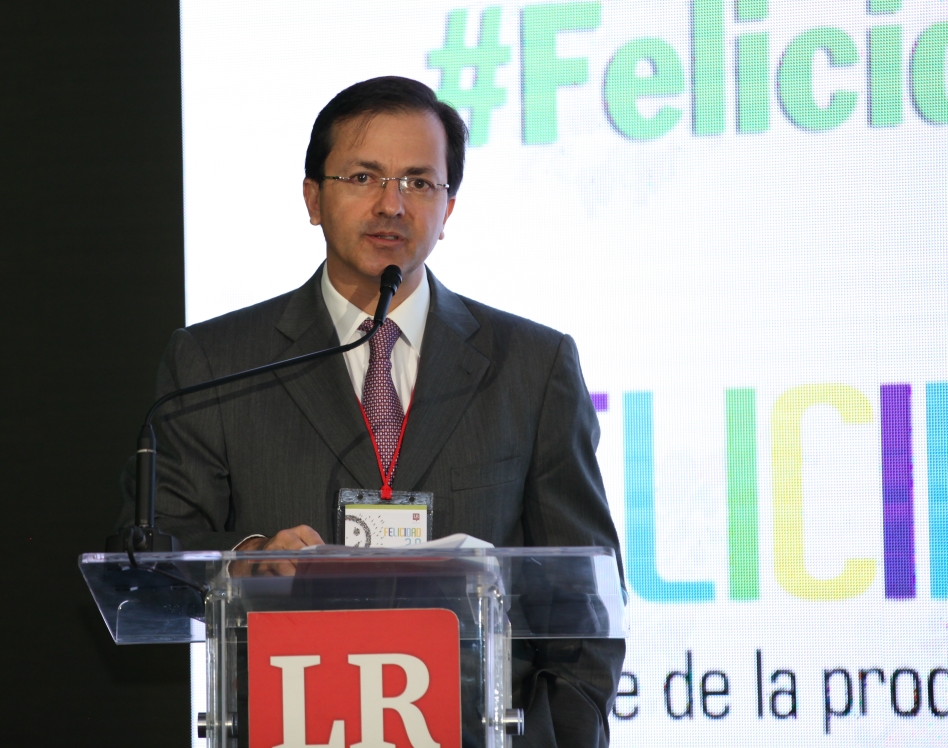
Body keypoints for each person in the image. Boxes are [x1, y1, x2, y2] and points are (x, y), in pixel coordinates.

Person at [120, 75, 625, 745]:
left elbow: (585, 602)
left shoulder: (532, 367)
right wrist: (245, 558)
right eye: (363, 177)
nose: (392, 204)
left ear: (449, 208)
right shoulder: (214, 363)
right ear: (312, 198)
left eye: (419, 182)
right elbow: (154, 554)